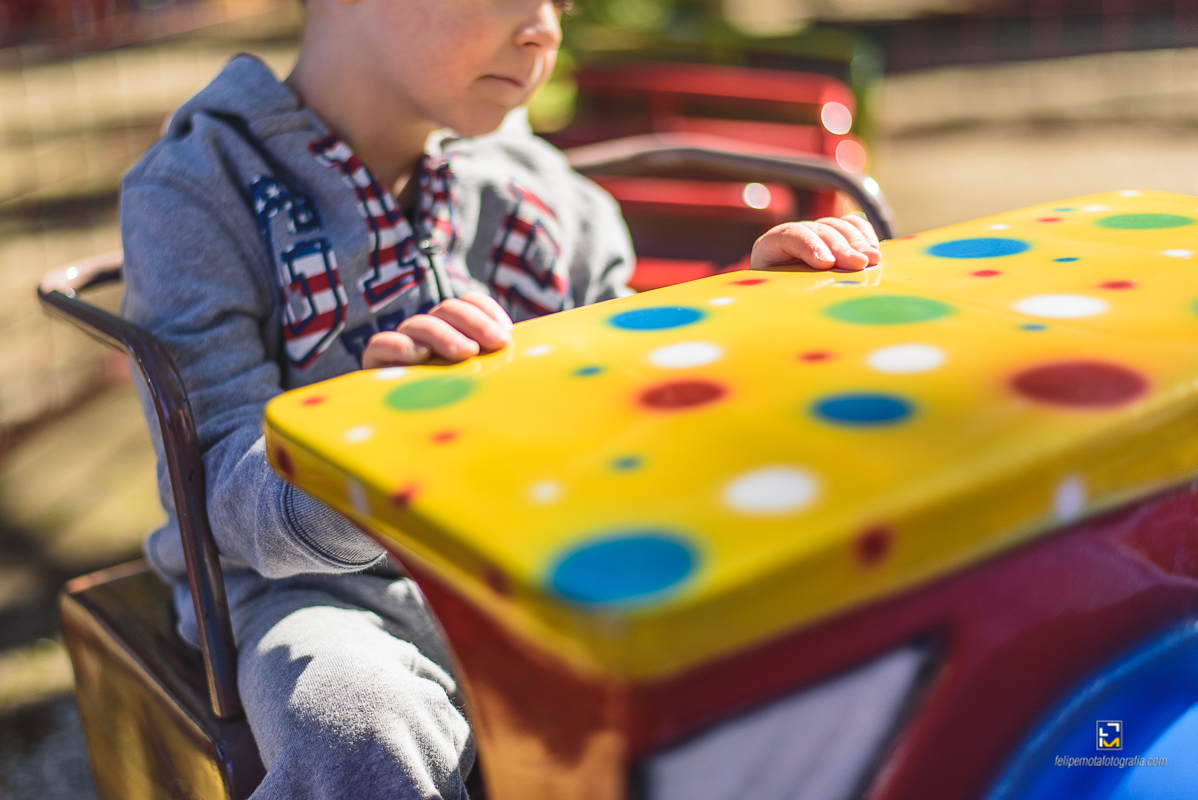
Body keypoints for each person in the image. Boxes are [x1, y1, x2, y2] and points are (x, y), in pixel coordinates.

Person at [119, 1, 883, 798]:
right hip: (325, 601)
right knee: (360, 729)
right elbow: (213, 488)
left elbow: (624, 389)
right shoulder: (195, 193)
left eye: (563, 3)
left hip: (545, 572)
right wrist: (363, 450)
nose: (545, 28)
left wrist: (739, 313)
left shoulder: (548, 191)